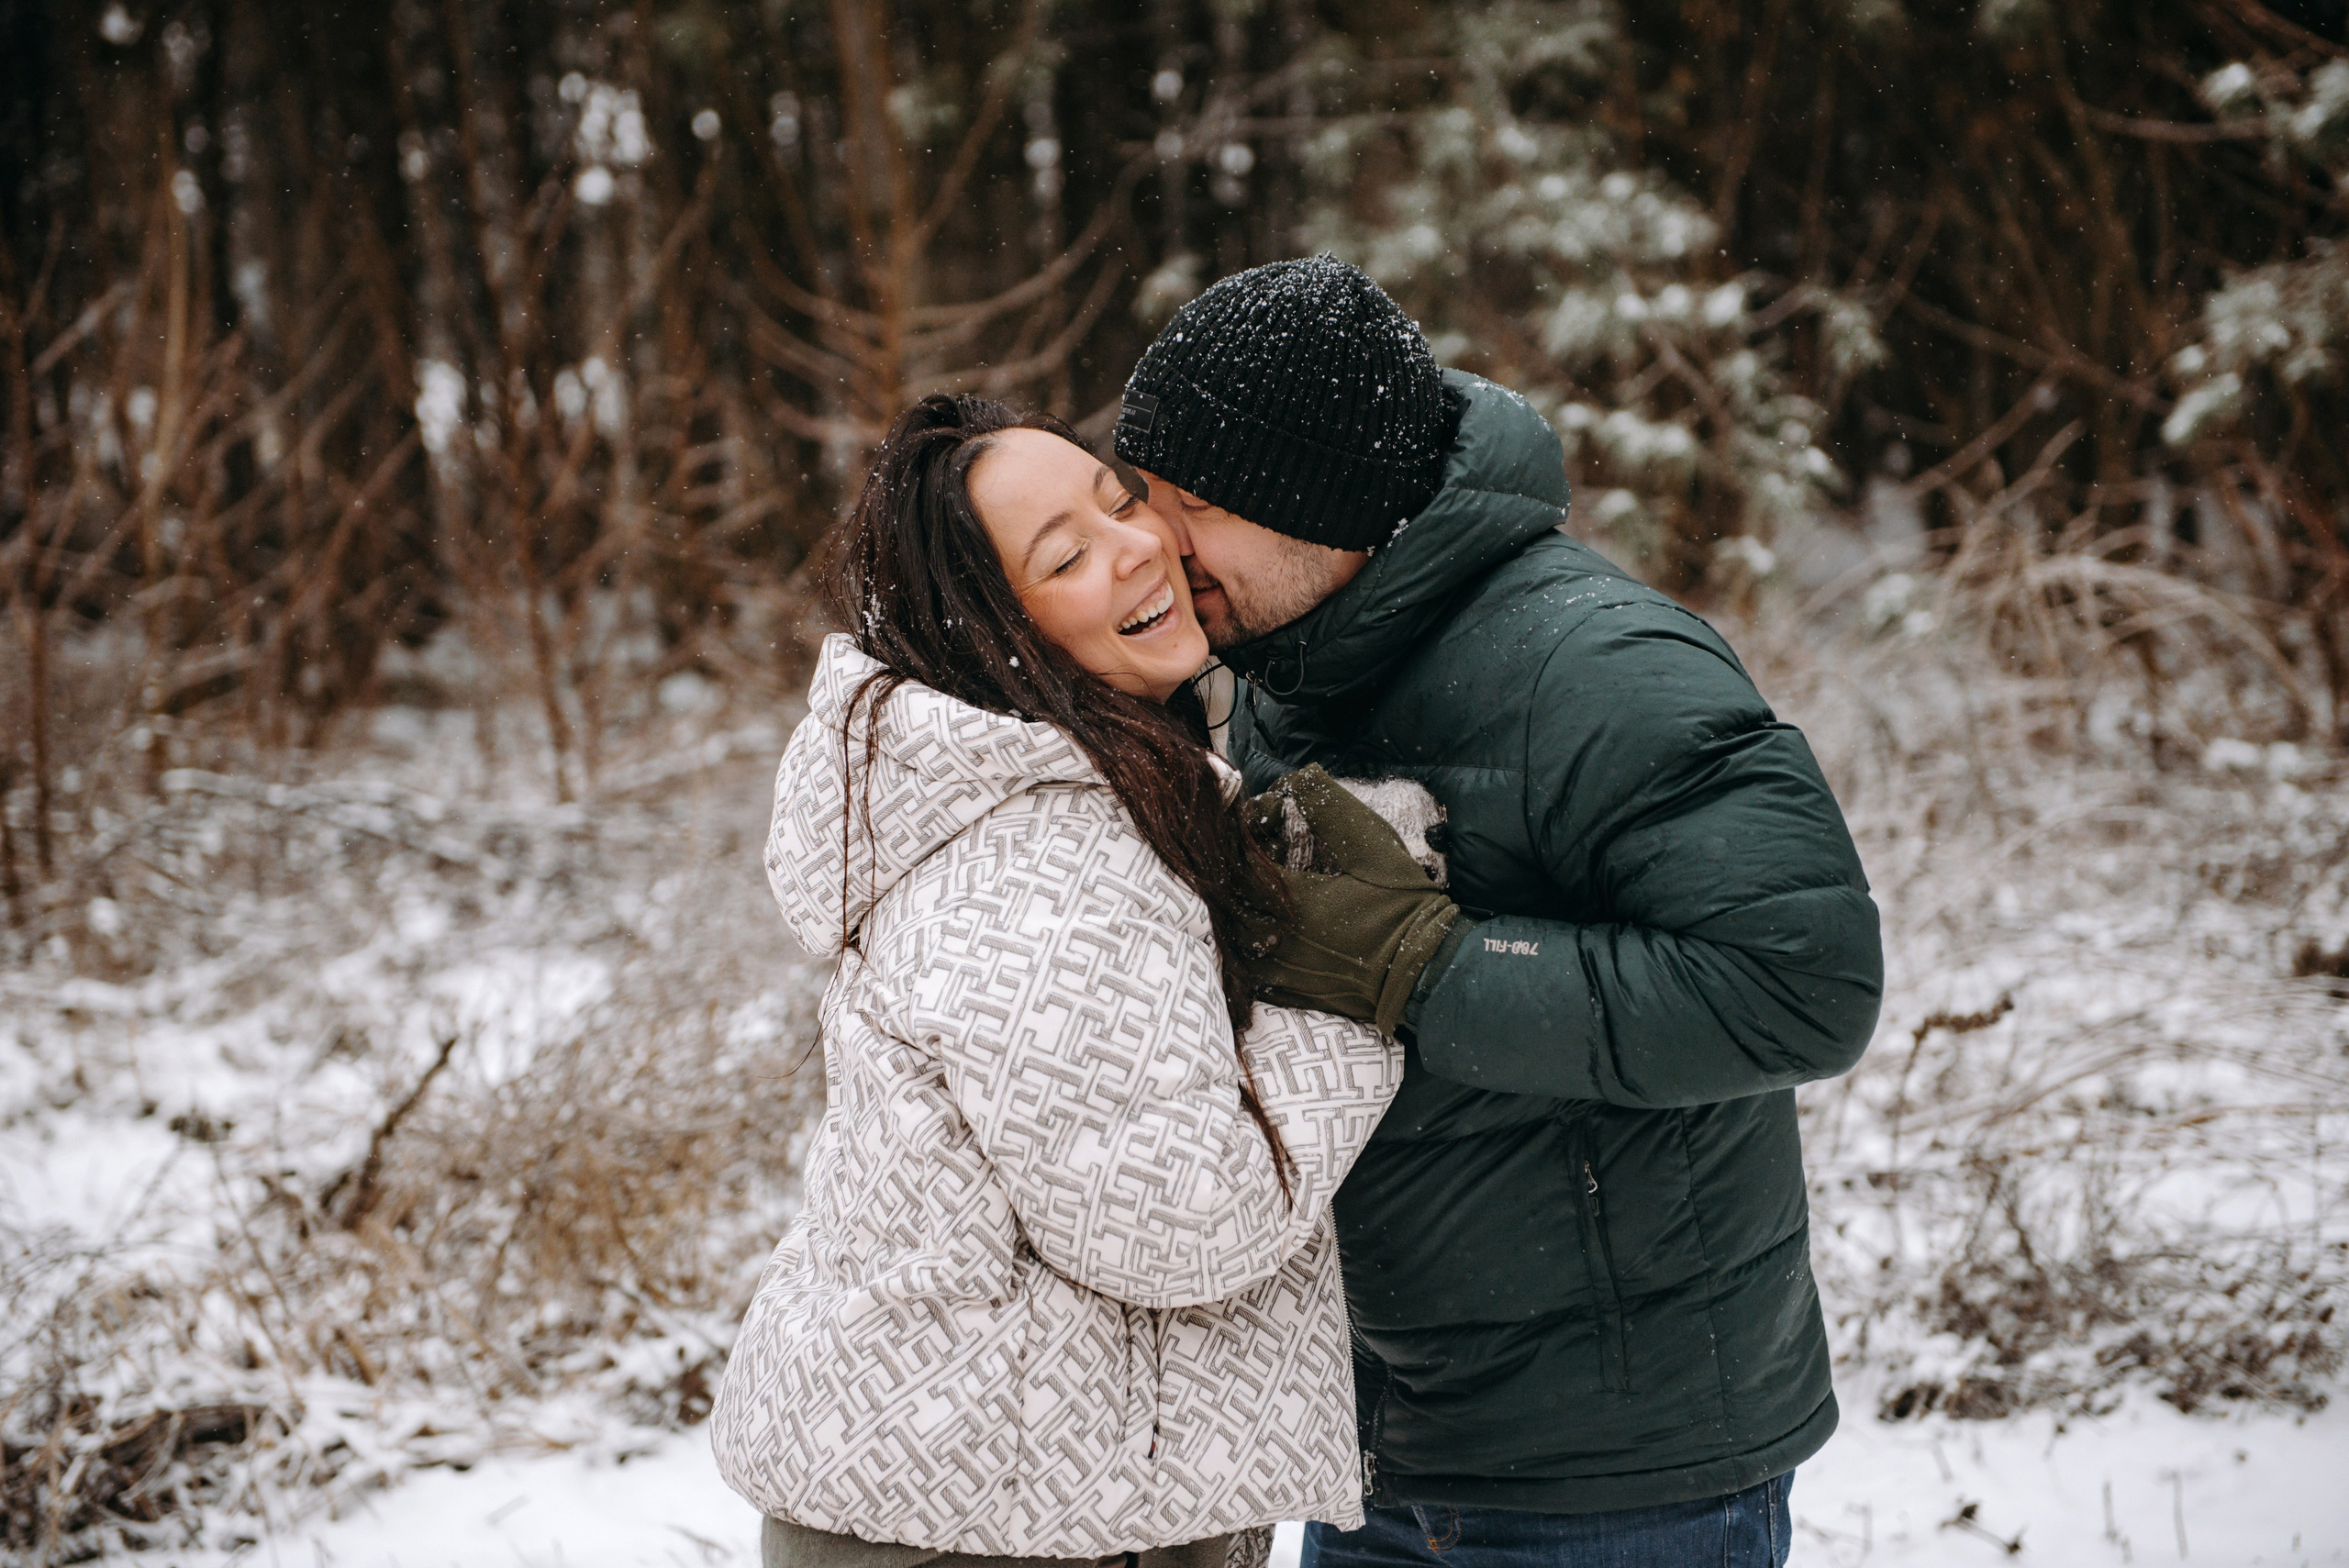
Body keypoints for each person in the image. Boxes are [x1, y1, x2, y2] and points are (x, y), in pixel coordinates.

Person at [1115, 256, 1886, 1568]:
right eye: (1142, 496)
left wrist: (1421, 967)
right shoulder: (1290, 663)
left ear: (1329, 503)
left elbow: (1799, 984)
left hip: (1620, 1483)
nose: (1153, 541)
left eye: (1197, 503)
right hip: (1381, 1452)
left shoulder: (1595, 664)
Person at [708, 395, 1410, 1568]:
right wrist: (1366, 980)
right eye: (1066, 554)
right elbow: (1178, 1215)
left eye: (1114, 495)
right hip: (991, 1522)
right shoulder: (1041, 852)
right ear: (999, 633)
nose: (1135, 543)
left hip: (1006, 1493)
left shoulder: (1056, 789)